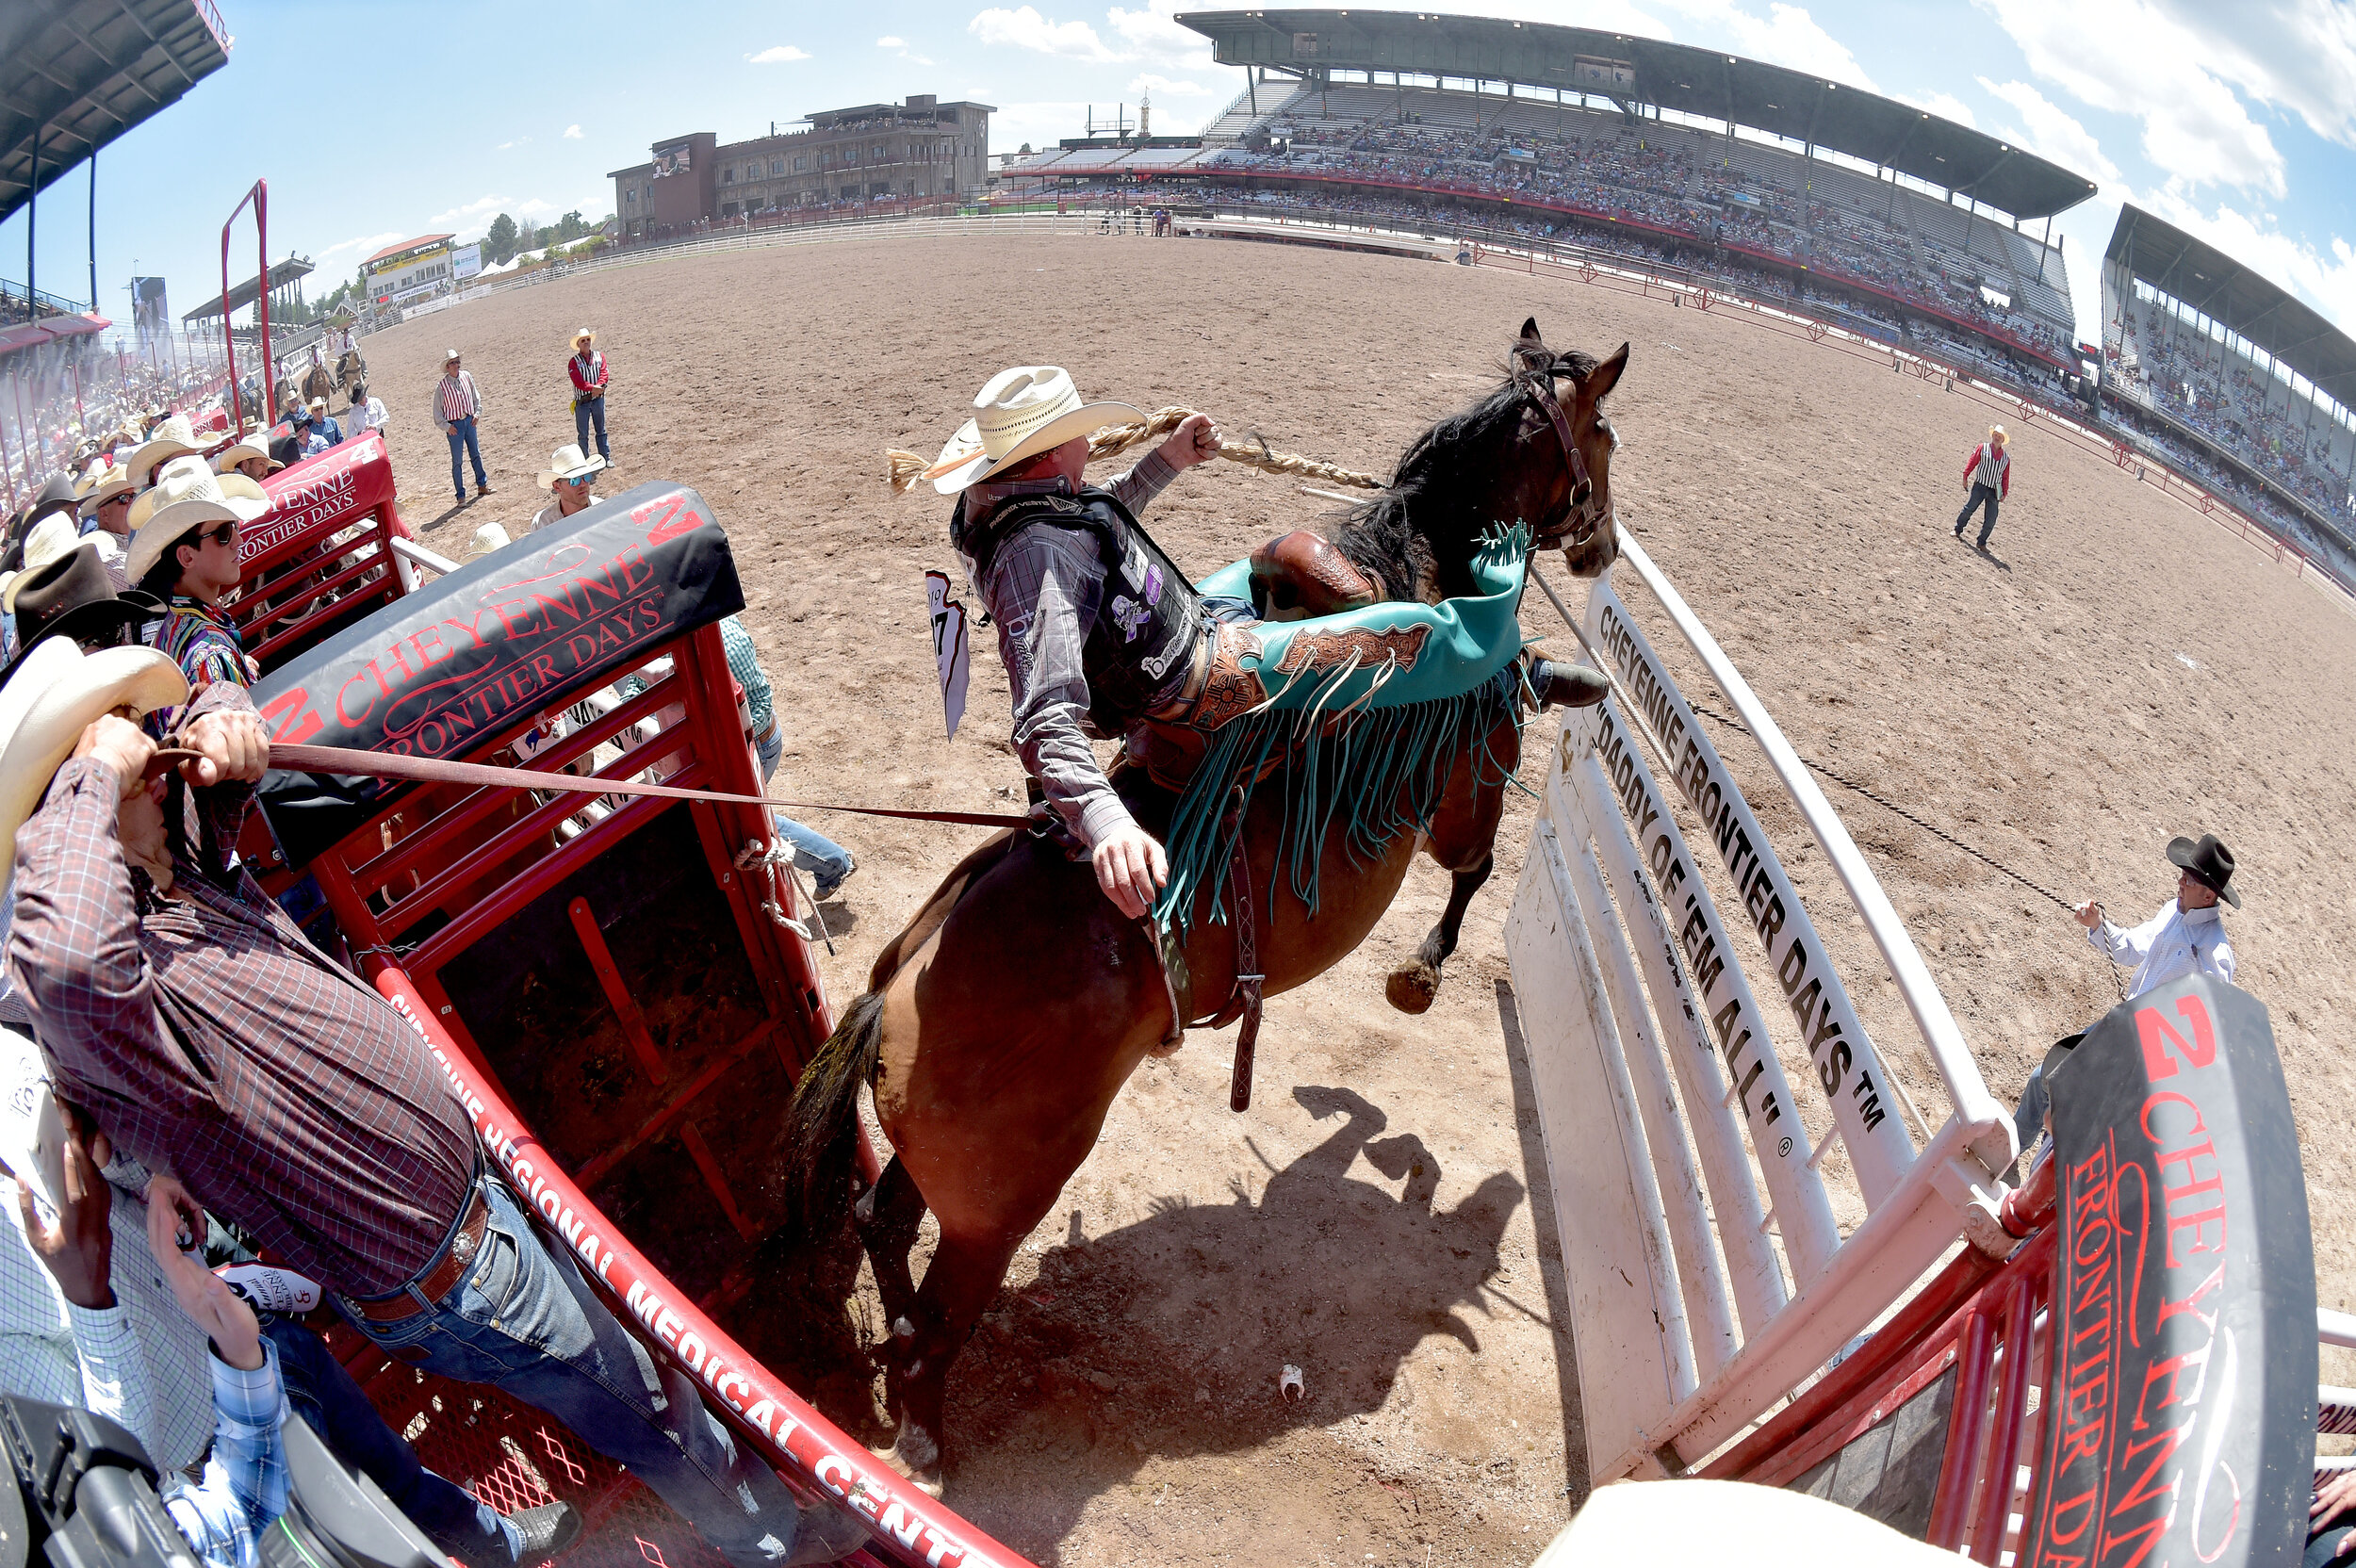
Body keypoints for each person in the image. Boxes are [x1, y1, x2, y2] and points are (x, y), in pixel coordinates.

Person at [2, 650, 866, 1568]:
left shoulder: (185, 883)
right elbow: (67, 963)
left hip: (463, 1218)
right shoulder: (117, 1009)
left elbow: (219, 714)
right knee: (647, 1400)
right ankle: (774, 1541)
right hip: (448, 1269)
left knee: (638, 1378)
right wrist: (92, 770)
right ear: (75, 806)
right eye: (125, 732)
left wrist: (217, 715)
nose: (150, 739)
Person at [926, 365, 1218, 918]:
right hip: (1174, 677)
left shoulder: (1009, 495)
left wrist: (1170, 460)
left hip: (1153, 633)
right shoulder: (1038, 556)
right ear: (1057, 448)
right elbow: (1045, 716)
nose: (1092, 441)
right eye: (1080, 431)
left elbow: (1087, 521)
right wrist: (1106, 824)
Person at [2012, 833, 2242, 1168]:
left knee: (2072, 1116)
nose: (2179, 882)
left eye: (2188, 879)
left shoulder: (2215, 953)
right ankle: (2009, 1157)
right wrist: (2098, 925)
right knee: (2043, 1082)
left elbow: (2211, 1023)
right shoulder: (2172, 913)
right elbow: (2131, 947)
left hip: (2149, 1059)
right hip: (2120, 1028)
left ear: (2208, 894)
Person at [730, 615, 857, 899]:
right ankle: (832, 862)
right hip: (754, 738)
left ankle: (832, 862)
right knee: (745, 818)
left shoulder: (724, 639)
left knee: (750, 820)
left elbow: (759, 702)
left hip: (754, 743)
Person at [126, 466, 262, 692]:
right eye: (224, 533)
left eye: (235, 526)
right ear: (187, 555)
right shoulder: (211, 655)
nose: (238, 540)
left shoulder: (172, 628)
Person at [434, 349, 492, 504]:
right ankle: (460, 495)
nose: (456, 365)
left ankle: (482, 484)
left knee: (476, 454)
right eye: (453, 362)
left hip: (469, 420)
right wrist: (447, 427)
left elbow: (475, 396)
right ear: (447, 366)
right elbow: (437, 413)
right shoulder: (441, 387)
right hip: (455, 426)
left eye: (458, 361)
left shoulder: (467, 376)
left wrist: (477, 413)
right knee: (457, 461)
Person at [1953, 424, 2010, 549]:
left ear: (2003, 439)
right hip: (1980, 486)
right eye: (1995, 435)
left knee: (1991, 519)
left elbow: (2005, 476)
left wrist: (2004, 492)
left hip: (1995, 490)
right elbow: (1973, 461)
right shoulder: (1982, 448)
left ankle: (1982, 542)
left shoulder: (2006, 458)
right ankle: (1958, 529)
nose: (1996, 437)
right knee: (1969, 509)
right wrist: (1965, 475)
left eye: (1999, 436)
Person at [531, 442, 604, 532]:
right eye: (574, 480)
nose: (583, 484)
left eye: (586, 477)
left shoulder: (604, 511)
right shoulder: (543, 524)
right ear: (557, 487)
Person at [566, 329, 612, 466]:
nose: (586, 343)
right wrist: (593, 388)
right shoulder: (573, 362)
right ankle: (584, 462)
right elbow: (578, 381)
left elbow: (604, 372)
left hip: (597, 399)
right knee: (583, 434)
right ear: (579, 344)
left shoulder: (600, 356)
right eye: (583, 341)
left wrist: (599, 386)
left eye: (588, 340)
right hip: (583, 402)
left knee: (601, 430)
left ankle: (605, 457)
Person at [342, 380, 388, 446]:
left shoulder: (376, 402)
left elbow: (386, 417)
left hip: (378, 437)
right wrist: (359, 434)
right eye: (358, 400)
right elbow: (350, 431)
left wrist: (375, 426)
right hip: (363, 442)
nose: (360, 401)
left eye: (361, 399)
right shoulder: (353, 411)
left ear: (364, 395)